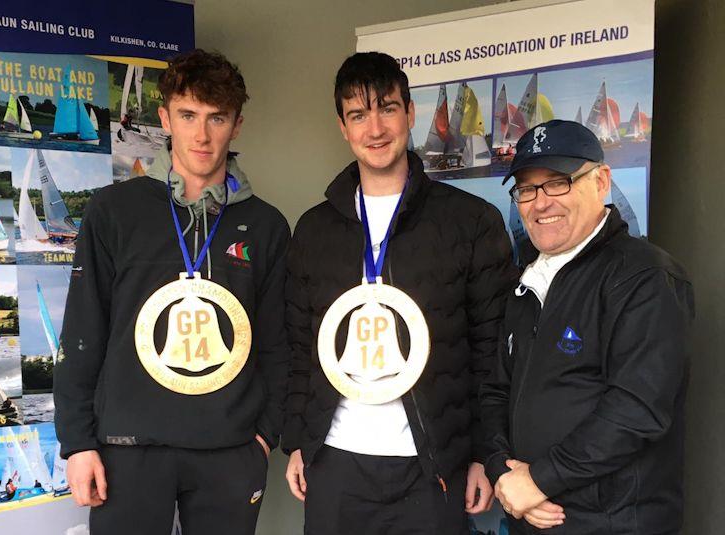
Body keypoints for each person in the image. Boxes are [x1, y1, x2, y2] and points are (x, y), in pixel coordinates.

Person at [54, 49, 290, 535]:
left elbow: (279, 345)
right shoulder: (113, 211)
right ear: (165, 118)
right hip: (128, 446)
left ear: (237, 125)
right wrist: (78, 443)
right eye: (188, 116)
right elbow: (82, 332)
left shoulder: (266, 226)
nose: (202, 135)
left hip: (231, 450)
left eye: (216, 118)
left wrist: (264, 438)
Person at [283, 52, 518, 534]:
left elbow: (491, 348)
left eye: (387, 108)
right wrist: (299, 443)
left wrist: (484, 455)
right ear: (342, 128)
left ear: (410, 113)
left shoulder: (471, 222)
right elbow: (299, 344)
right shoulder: (314, 229)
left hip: (433, 463)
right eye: (358, 114)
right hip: (335, 458)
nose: (375, 128)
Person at [480, 120, 693, 534]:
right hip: (530, 517)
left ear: (601, 181)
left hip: (613, 524)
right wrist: (503, 471)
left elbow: (637, 409)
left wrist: (540, 479)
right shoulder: (525, 287)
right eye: (526, 189)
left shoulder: (645, 277)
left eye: (558, 183)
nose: (540, 203)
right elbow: (494, 393)